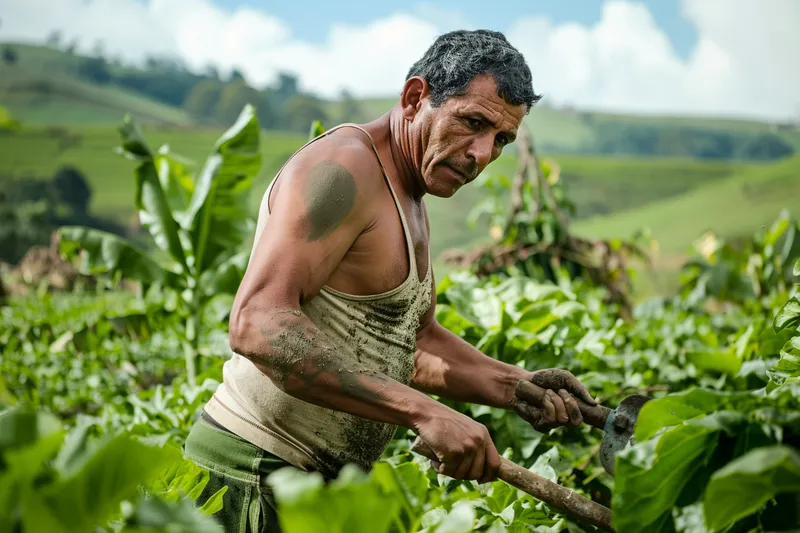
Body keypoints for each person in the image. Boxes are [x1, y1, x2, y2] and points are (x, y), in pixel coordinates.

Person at [184, 29, 597, 533]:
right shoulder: (342, 170)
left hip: (307, 489)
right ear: (415, 98)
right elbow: (258, 322)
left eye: (501, 140)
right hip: (246, 478)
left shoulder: (411, 195)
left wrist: (514, 386)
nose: (483, 154)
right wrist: (426, 414)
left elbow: (412, 342)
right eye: (472, 123)